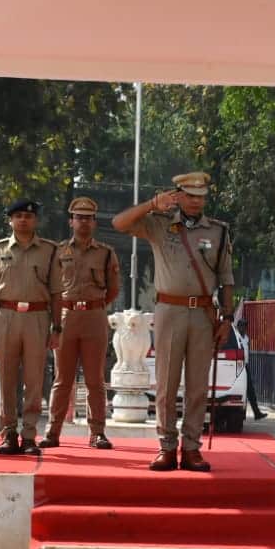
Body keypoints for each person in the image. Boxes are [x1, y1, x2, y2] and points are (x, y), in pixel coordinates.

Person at [112, 171, 234, 473]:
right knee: (166, 382)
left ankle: (191, 448)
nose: (195, 202)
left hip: (205, 314)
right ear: (177, 195)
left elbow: (226, 277)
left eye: (200, 196)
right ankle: (166, 447)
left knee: (197, 385)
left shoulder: (218, 231)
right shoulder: (160, 225)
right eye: (189, 196)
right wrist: (153, 203)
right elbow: (119, 223)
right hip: (170, 309)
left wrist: (227, 317)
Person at [0, 198, 59, 456]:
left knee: (34, 380)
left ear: (35, 220)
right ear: (10, 220)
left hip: (37, 317)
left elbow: (57, 292)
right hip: (5, 316)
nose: (23, 220)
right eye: (18, 216)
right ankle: (8, 434)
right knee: (6, 378)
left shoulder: (49, 250)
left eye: (28, 216)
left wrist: (56, 328)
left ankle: (29, 435)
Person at [42, 196, 118, 450]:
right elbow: (51, 287)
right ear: (70, 221)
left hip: (95, 317)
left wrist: (94, 304)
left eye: (88, 218)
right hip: (66, 316)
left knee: (95, 379)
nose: (83, 222)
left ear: (95, 222)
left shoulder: (106, 253)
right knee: (62, 379)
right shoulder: (58, 251)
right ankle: (53, 432)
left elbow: (113, 289)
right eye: (79, 217)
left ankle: (97, 432)